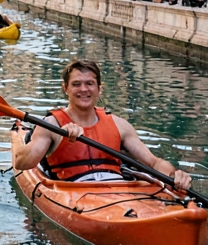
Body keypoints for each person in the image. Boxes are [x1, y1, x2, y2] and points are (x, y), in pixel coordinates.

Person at [11, 60, 192, 190]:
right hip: (73, 190)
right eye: (76, 84)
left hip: (120, 191)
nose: (84, 89)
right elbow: (22, 162)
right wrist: (62, 134)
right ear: (65, 88)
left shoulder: (119, 124)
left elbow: (153, 162)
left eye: (90, 84)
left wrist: (174, 175)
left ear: (99, 88)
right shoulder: (51, 125)